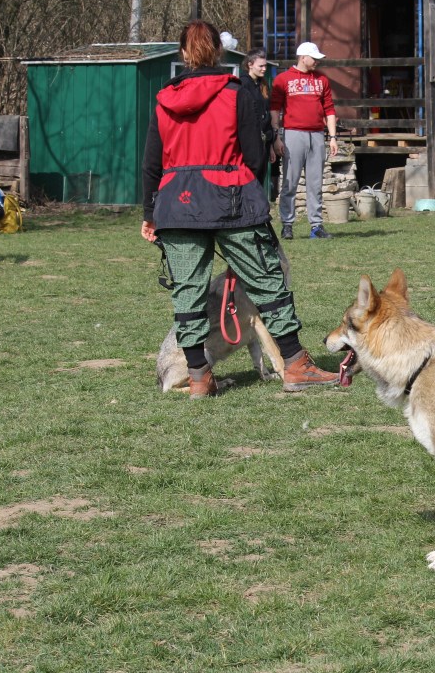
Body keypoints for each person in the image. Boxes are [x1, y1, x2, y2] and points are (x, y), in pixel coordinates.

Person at [141, 20, 338, 398]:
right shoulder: (237, 92)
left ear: (183, 53)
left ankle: (199, 377)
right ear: (218, 50)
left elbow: (152, 163)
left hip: (176, 205)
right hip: (231, 198)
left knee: (188, 293)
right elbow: (254, 153)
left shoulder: (164, 98)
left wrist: (150, 214)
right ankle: (296, 365)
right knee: (267, 281)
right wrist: (251, 192)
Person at [270, 41, 338, 240]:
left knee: (315, 183)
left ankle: (316, 226)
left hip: (317, 134)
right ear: (303, 57)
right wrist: (277, 136)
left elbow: (329, 109)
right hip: (293, 134)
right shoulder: (283, 79)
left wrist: (332, 137)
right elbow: (274, 109)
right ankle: (287, 224)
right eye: (314, 58)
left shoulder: (322, 80)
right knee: (289, 182)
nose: (317, 61)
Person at [239, 47, 276, 192]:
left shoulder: (263, 84)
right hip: (249, 142)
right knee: (249, 181)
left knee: (259, 181)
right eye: (261, 66)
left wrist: (271, 144)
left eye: (265, 65)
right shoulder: (242, 84)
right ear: (250, 64)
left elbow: (266, 114)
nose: (264, 69)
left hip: (264, 142)